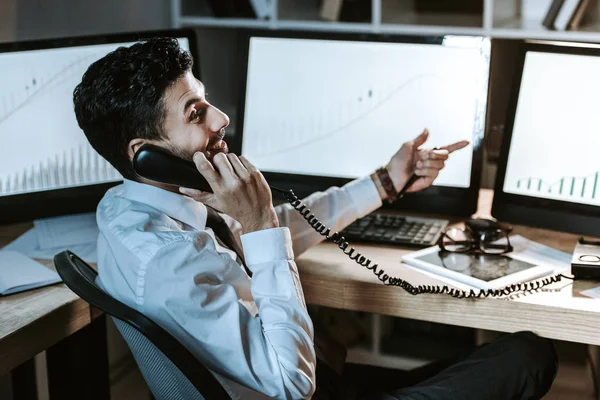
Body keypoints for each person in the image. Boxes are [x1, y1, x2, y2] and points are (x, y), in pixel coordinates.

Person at [73, 37, 557, 400]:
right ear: (145, 156)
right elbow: (291, 384)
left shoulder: (131, 206)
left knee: (481, 362)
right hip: (300, 389)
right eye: (195, 112)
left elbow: (265, 229)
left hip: (322, 383)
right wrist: (261, 227)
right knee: (528, 357)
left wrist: (384, 183)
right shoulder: (168, 264)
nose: (221, 119)